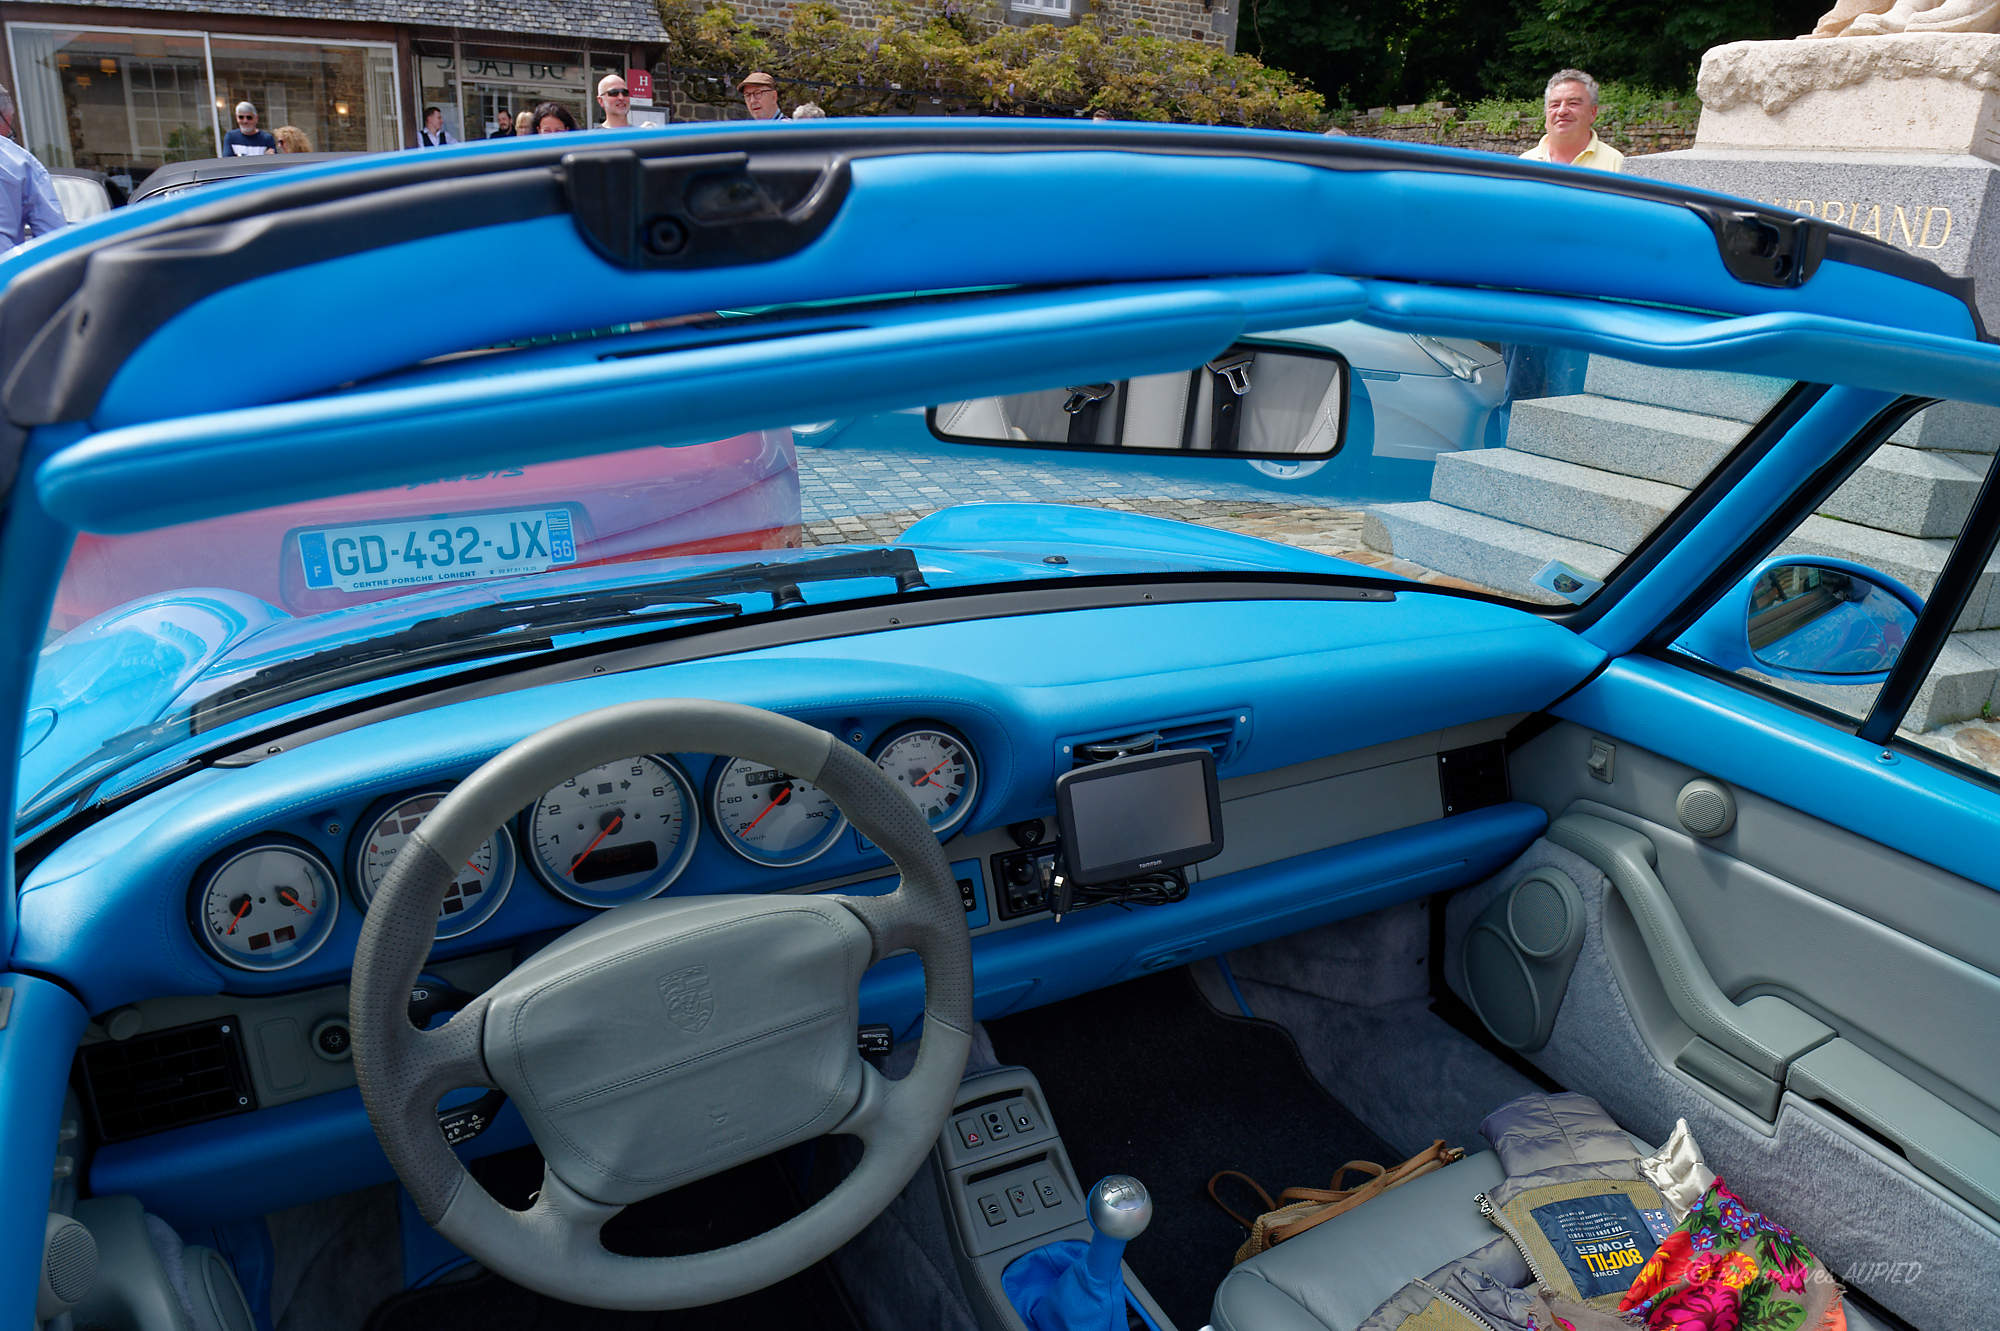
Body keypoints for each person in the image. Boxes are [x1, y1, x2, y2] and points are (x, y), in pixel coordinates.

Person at [1518, 69, 1624, 172]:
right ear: (1546, 114)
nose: (1562, 111)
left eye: (1573, 103)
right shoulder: (1524, 165)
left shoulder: (1616, 164)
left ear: (1592, 112)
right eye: (1555, 105)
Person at [2, 95, 68, 253]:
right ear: (4, 117)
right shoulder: (18, 160)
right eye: (10, 123)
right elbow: (53, 240)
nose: (10, 132)